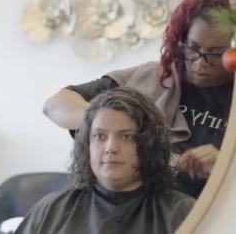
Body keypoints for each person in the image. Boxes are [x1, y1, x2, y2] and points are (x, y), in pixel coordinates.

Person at [43, 0, 234, 198]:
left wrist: (229, 168)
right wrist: (118, 125)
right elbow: (55, 105)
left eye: (217, 53)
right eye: (192, 48)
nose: (200, 63)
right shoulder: (151, 78)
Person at [16, 88, 195, 234]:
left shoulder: (179, 212)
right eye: (100, 136)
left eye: (126, 137)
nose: (111, 148)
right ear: (87, 144)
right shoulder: (52, 210)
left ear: (149, 144)